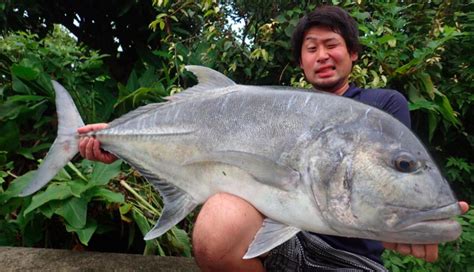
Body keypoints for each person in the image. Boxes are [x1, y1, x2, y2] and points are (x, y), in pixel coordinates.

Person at [78, 5, 469, 271]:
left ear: (352, 54)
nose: (322, 55)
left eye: (332, 45)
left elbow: (381, 183)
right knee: (218, 221)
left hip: (353, 261)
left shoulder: (381, 107)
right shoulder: (272, 108)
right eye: (311, 48)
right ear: (301, 61)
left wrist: (411, 216)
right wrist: (114, 140)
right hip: (287, 246)